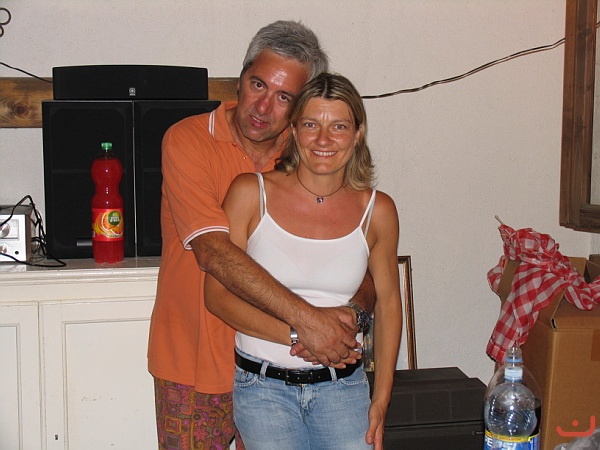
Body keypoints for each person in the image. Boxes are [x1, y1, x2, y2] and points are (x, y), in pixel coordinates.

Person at [147, 21, 375, 450]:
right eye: (258, 84)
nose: (263, 106)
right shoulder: (188, 140)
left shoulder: (310, 152)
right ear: (241, 77)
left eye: (284, 97)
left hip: (286, 373)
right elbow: (214, 253)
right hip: (196, 366)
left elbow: (356, 249)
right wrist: (308, 324)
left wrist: (352, 317)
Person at [205, 72, 402, 450]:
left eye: (338, 126)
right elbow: (216, 296)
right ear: (294, 130)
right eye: (311, 124)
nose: (323, 140)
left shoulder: (378, 211)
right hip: (263, 390)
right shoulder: (250, 193)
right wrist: (301, 334)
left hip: (344, 390)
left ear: (357, 134)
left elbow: (389, 303)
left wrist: (381, 399)